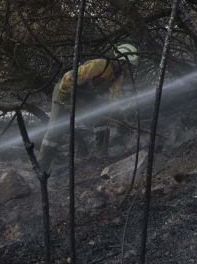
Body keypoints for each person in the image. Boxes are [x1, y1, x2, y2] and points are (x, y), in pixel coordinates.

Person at [37, 42, 138, 171]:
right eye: (129, 65)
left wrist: (121, 119)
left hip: (84, 97)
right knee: (55, 131)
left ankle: (101, 156)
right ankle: (42, 168)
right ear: (121, 61)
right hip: (64, 92)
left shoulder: (118, 76)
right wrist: (66, 100)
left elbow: (113, 100)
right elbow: (68, 78)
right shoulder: (100, 64)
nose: (129, 70)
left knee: (102, 120)